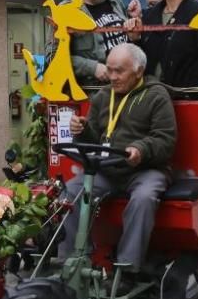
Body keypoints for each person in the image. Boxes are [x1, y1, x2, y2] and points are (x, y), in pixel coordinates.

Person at [59, 43, 176, 278]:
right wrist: (80, 129)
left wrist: (141, 149)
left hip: (145, 169)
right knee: (70, 192)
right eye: (110, 70)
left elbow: (166, 140)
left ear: (139, 71)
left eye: (119, 71)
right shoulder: (103, 96)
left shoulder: (156, 95)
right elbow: (93, 135)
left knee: (143, 198)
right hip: (107, 169)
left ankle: (127, 269)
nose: (112, 77)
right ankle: (71, 263)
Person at [51, 0, 141, 90]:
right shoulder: (64, 11)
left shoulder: (114, 0)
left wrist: (134, 33)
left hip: (127, 87)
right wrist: (92, 68)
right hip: (93, 93)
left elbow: (129, 39)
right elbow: (53, 58)